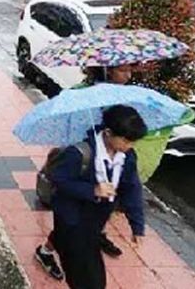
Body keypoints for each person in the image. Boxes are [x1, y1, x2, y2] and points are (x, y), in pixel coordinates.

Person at [35, 65, 131, 281]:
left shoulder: (122, 99)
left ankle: (57, 247)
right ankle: (48, 251)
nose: (128, 75)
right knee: (71, 227)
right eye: (123, 70)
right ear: (108, 71)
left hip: (98, 191)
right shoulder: (83, 98)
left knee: (82, 225)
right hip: (84, 175)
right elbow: (69, 153)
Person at [49, 105, 146, 289]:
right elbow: (59, 180)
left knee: (87, 275)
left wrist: (137, 226)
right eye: (125, 140)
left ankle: (49, 250)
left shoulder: (127, 156)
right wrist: (92, 190)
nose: (129, 146)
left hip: (96, 221)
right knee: (88, 280)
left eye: (132, 142)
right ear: (108, 133)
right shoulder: (80, 152)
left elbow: (132, 188)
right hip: (72, 220)